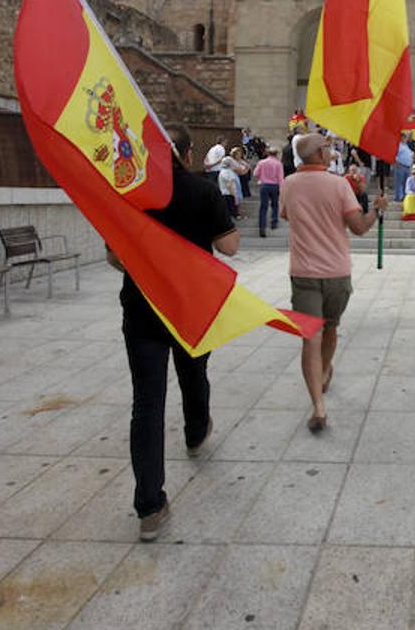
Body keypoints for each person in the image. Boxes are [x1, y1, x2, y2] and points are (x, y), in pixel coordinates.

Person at [108, 125, 235, 541]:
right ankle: (196, 432)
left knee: (146, 403)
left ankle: (149, 506)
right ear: (186, 153)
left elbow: (115, 258)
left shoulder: (131, 195)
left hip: (142, 310)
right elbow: (230, 246)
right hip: (190, 307)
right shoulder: (203, 191)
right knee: (194, 372)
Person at [280, 134, 386, 432]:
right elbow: (359, 227)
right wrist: (376, 209)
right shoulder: (339, 185)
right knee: (330, 329)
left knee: (310, 338)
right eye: (327, 148)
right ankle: (324, 374)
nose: (332, 152)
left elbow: (286, 215)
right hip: (337, 273)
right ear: (318, 153)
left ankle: (318, 404)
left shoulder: (288, 183)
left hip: (303, 273)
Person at [254, 147, 285, 237]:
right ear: (276, 154)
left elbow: (255, 173)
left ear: (268, 153)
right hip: (274, 186)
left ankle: (262, 227)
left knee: (263, 207)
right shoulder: (278, 164)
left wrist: (261, 177)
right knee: (275, 205)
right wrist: (282, 188)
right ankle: (274, 222)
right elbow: (280, 177)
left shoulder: (261, 162)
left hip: (264, 185)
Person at [393, 135, 414, 201]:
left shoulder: (406, 146)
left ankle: (404, 197)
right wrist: (396, 163)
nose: (404, 138)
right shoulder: (398, 145)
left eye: (405, 137)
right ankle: (398, 197)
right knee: (399, 182)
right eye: (403, 137)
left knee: (406, 183)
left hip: (407, 166)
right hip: (400, 166)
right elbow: (393, 154)